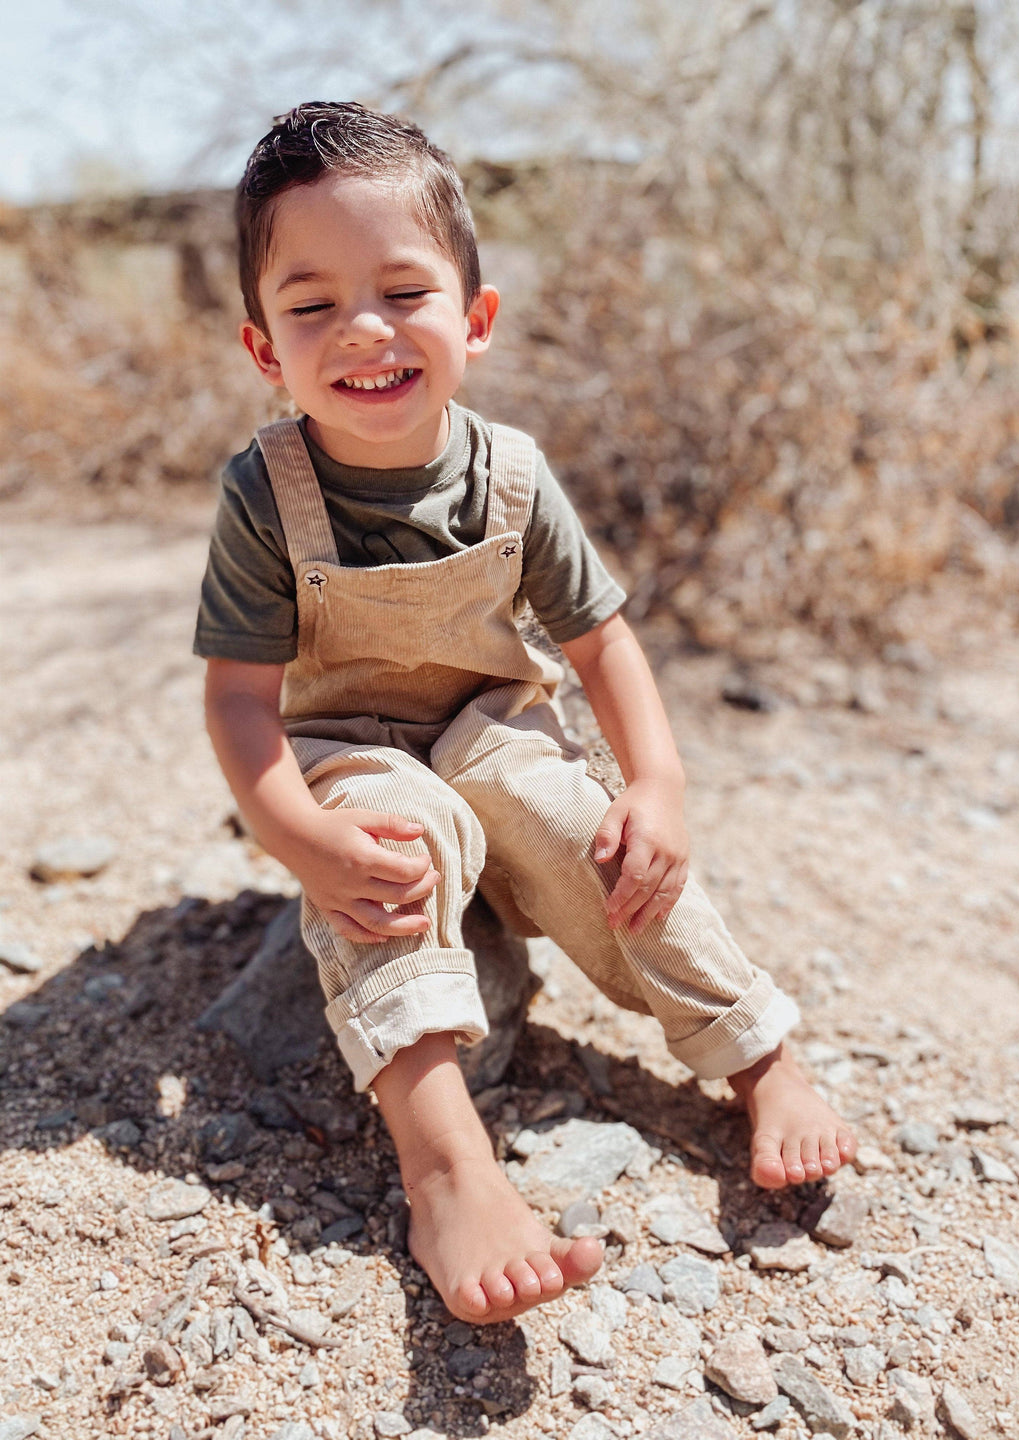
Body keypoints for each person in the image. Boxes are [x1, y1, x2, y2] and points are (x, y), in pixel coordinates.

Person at [194, 101, 856, 1325]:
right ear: (261, 347)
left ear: (476, 319)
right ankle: (447, 1165)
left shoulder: (512, 475)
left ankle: (758, 1056)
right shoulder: (264, 492)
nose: (365, 331)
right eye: (313, 305)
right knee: (390, 845)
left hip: (492, 732)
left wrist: (656, 785)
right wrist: (298, 837)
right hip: (351, 754)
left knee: (567, 810)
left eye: (403, 289)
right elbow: (240, 701)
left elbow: (604, 641)